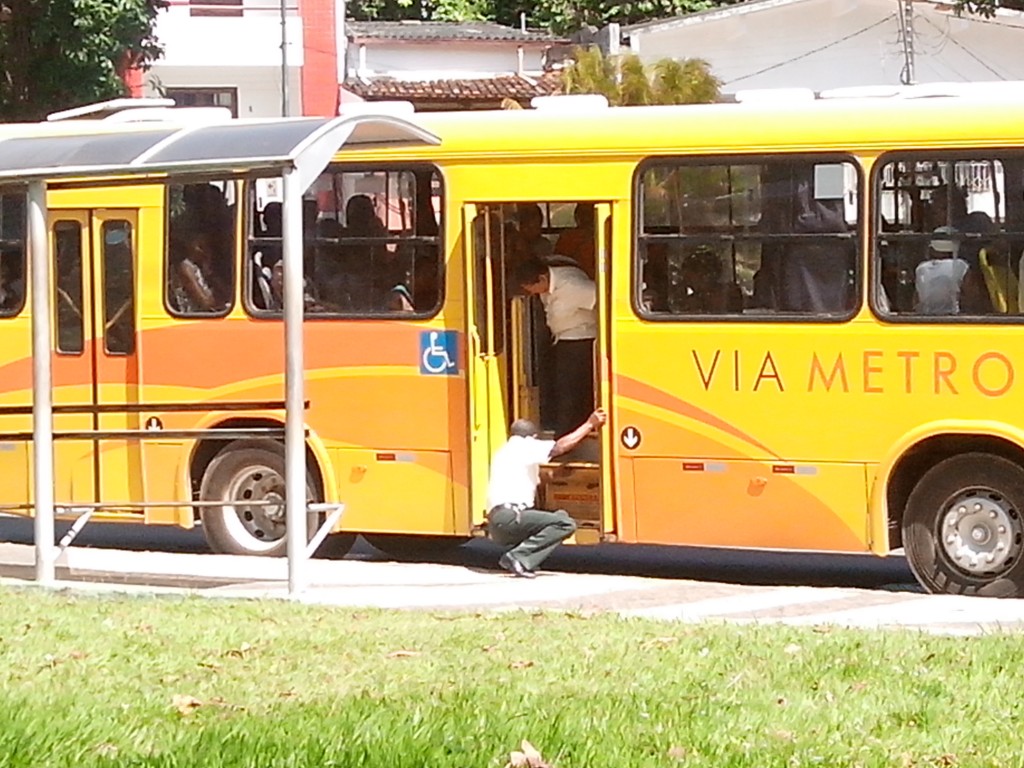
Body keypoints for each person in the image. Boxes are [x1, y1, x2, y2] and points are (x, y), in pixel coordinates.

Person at [486, 408, 608, 577]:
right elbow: (559, 447)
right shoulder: (524, 446)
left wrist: (561, 474)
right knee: (565, 523)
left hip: (498, 523)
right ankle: (519, 557)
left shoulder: (505, 452)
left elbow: (539, 478)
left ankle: (524, 559)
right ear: (533, 437)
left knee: (559, 514)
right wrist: (590, 424)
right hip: (510, 518)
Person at [517, 258, 598, 437]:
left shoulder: (572, 286)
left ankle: (565, 436)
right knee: (564, 389)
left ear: (542, 279)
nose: (531, 293)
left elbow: (603, 299)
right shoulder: (552, 281)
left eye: (531, 289)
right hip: (562, 340)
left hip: (579, 342)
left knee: (569, 392)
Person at [553, 203, 596, 277]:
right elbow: (559, 262)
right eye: (584, 213)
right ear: (577, 216)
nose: (587, 217)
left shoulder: (609, 234)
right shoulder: (569, 237)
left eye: (590, 213)